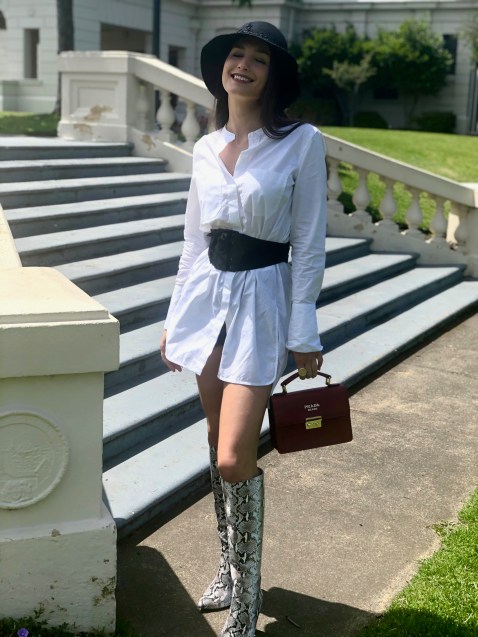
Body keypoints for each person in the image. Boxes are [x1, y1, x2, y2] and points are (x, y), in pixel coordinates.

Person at [160, 21, 327, 637]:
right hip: (208, 303)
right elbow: (192, 243)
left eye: (259, 58)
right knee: (214, 443)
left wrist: (303, 329)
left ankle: (246, 602)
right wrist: (175, 321)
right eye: (237, 55)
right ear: (221, 69)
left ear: (272, 76)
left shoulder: (301, 142)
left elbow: (309, 241)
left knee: (235, 457)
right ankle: (230, 571)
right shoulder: (206, 147)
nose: (245, 65)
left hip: (262, 303)